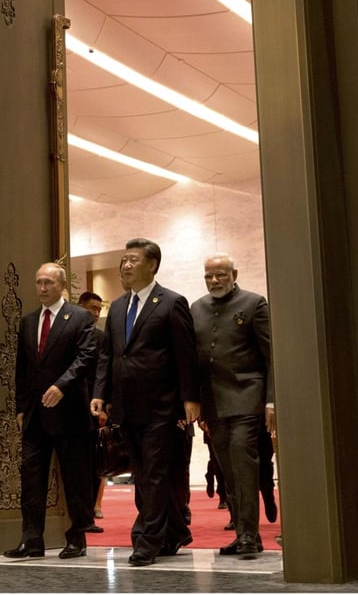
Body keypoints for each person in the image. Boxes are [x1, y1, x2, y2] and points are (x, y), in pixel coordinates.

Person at [90, 238, 200, 567]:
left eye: (133, 260)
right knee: (144, 473)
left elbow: (185, 354)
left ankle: (146, 539)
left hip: (161, 405)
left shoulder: (171, 302)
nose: (125, 265)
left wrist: (190, 397)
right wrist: (100, 393)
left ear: (152, 265)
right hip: (126, 406)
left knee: (153, 474)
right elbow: (108, 354)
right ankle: (174, 533)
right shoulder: (119, 306)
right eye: (123, 260)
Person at [3, 263, 98, 560]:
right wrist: (20, 407)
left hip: (69, 412)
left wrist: (62, 386)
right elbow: (22, 369)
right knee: (31, 479)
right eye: (38, 282)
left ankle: (76, 538)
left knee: (75, 478)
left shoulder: (79, 317)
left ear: (60, 286)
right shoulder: (29, 321)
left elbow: (85, 357)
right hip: (34, 416)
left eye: (48, 283)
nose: (42, 288)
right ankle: (31, 540)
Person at [190, 254, 275, 558]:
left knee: (243, 464)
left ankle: (249, 535)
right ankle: (243, 533)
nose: (214, 281)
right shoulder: (196, 308)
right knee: (227, 470)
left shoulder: (254, 304)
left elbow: (270, 356)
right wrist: (194, 401)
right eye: (209, 276)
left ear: (234, 273)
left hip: (246, 397)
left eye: (221, 275)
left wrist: (271, 399)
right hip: (213, 404)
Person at [76, 290, 107, 527]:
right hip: (71, 406)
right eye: (91, 308)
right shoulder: (69, 333)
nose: (96, 313)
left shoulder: (101, 337)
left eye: (98, 309)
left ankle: (89, 514)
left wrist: (105, 405)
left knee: (95, 464)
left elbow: (104, 375)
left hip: (95, 409)